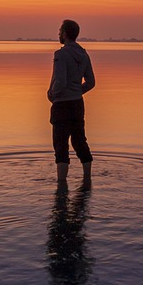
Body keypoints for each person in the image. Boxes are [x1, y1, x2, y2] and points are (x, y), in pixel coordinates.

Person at [47, 18, 95, 186]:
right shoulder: (84, 54)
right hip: (77, 104)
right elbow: (91, 82)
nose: (58, 34)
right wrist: (76, 92)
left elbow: (60, 81)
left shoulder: (61, 54)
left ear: (65, 34)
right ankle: (87, 180)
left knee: (60, 146)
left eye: (60, 31)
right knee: (80, 141)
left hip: (62, 105)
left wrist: (52, 94)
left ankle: (61, 186)